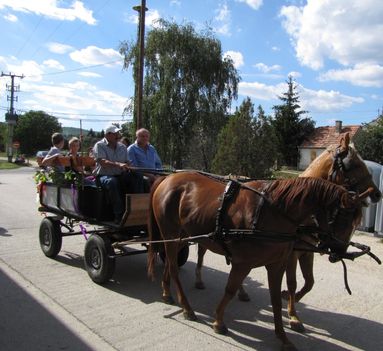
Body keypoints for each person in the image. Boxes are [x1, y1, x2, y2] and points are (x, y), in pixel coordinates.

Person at [93, 125, 144, 223]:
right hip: (103, 175)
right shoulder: (99, 145)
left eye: (118, 133)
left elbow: (127, 161)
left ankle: (137, 208)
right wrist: (118, 164)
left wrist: (129, 165)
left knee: (138, 177)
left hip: (120, 175)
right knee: (112, 182)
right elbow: (103, 162)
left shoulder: (122, 146)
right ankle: (119, 214)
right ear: (107, 135)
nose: (118, 135)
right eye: (115, 134)